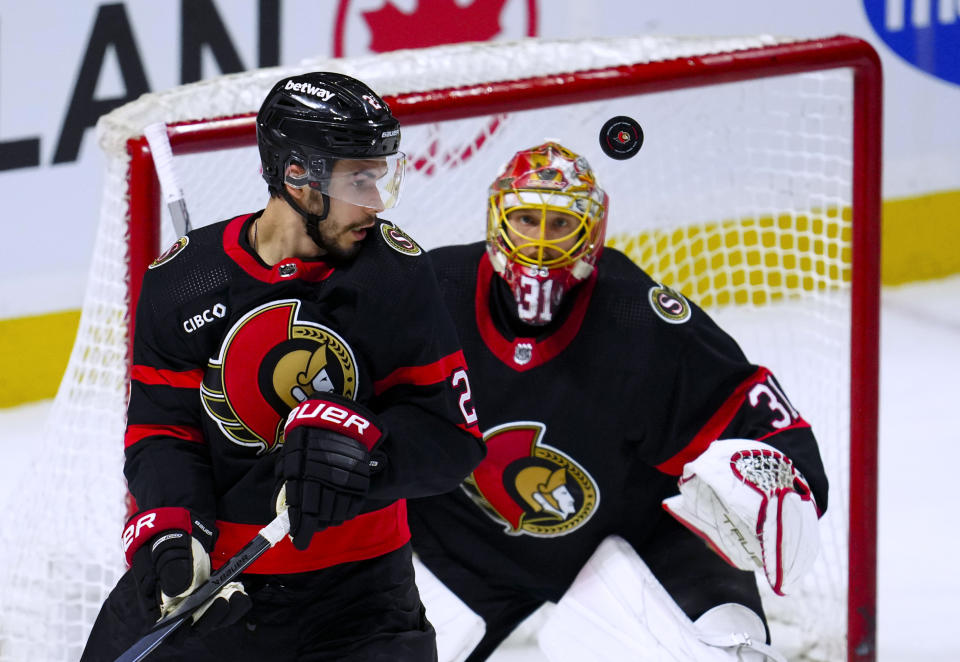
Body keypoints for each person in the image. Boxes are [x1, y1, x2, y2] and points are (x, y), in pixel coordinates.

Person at [80, 72, 485, 662]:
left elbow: (454, 440)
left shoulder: (394, 274)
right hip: (218, 587)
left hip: (360, 602)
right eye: (359, 180)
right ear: (298, 175)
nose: (375, 201)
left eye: (379, 177)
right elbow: (161, 432)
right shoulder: (181, 281)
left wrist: (366, 453)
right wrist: (171, 531)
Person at [406, 141, 828, 661]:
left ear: (591, 231)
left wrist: (789, 481)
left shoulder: (641, 321)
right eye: (527, 221)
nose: (540, 243)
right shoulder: (430, 293)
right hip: (463, 548)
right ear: (498, 222)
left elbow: (757, 415)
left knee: (727, 654)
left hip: (637, 542)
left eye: (559, 225)